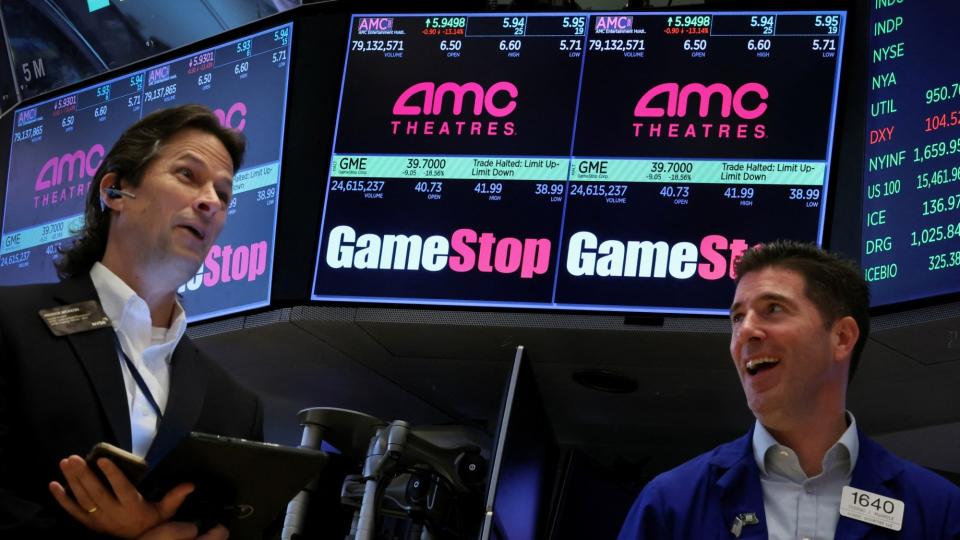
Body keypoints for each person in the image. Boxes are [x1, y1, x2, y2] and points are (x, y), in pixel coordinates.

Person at [0, 105, 263, 539]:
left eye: (224, 194)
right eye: (187, 175)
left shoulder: (236, 409)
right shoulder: (10, 324)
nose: (211, 202)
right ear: (115, 191)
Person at [618, 240, 960, 539]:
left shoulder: (937, 511)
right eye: (737, 318)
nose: (745, 331)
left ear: (841, 338)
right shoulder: (670, 504)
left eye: (773, 309)